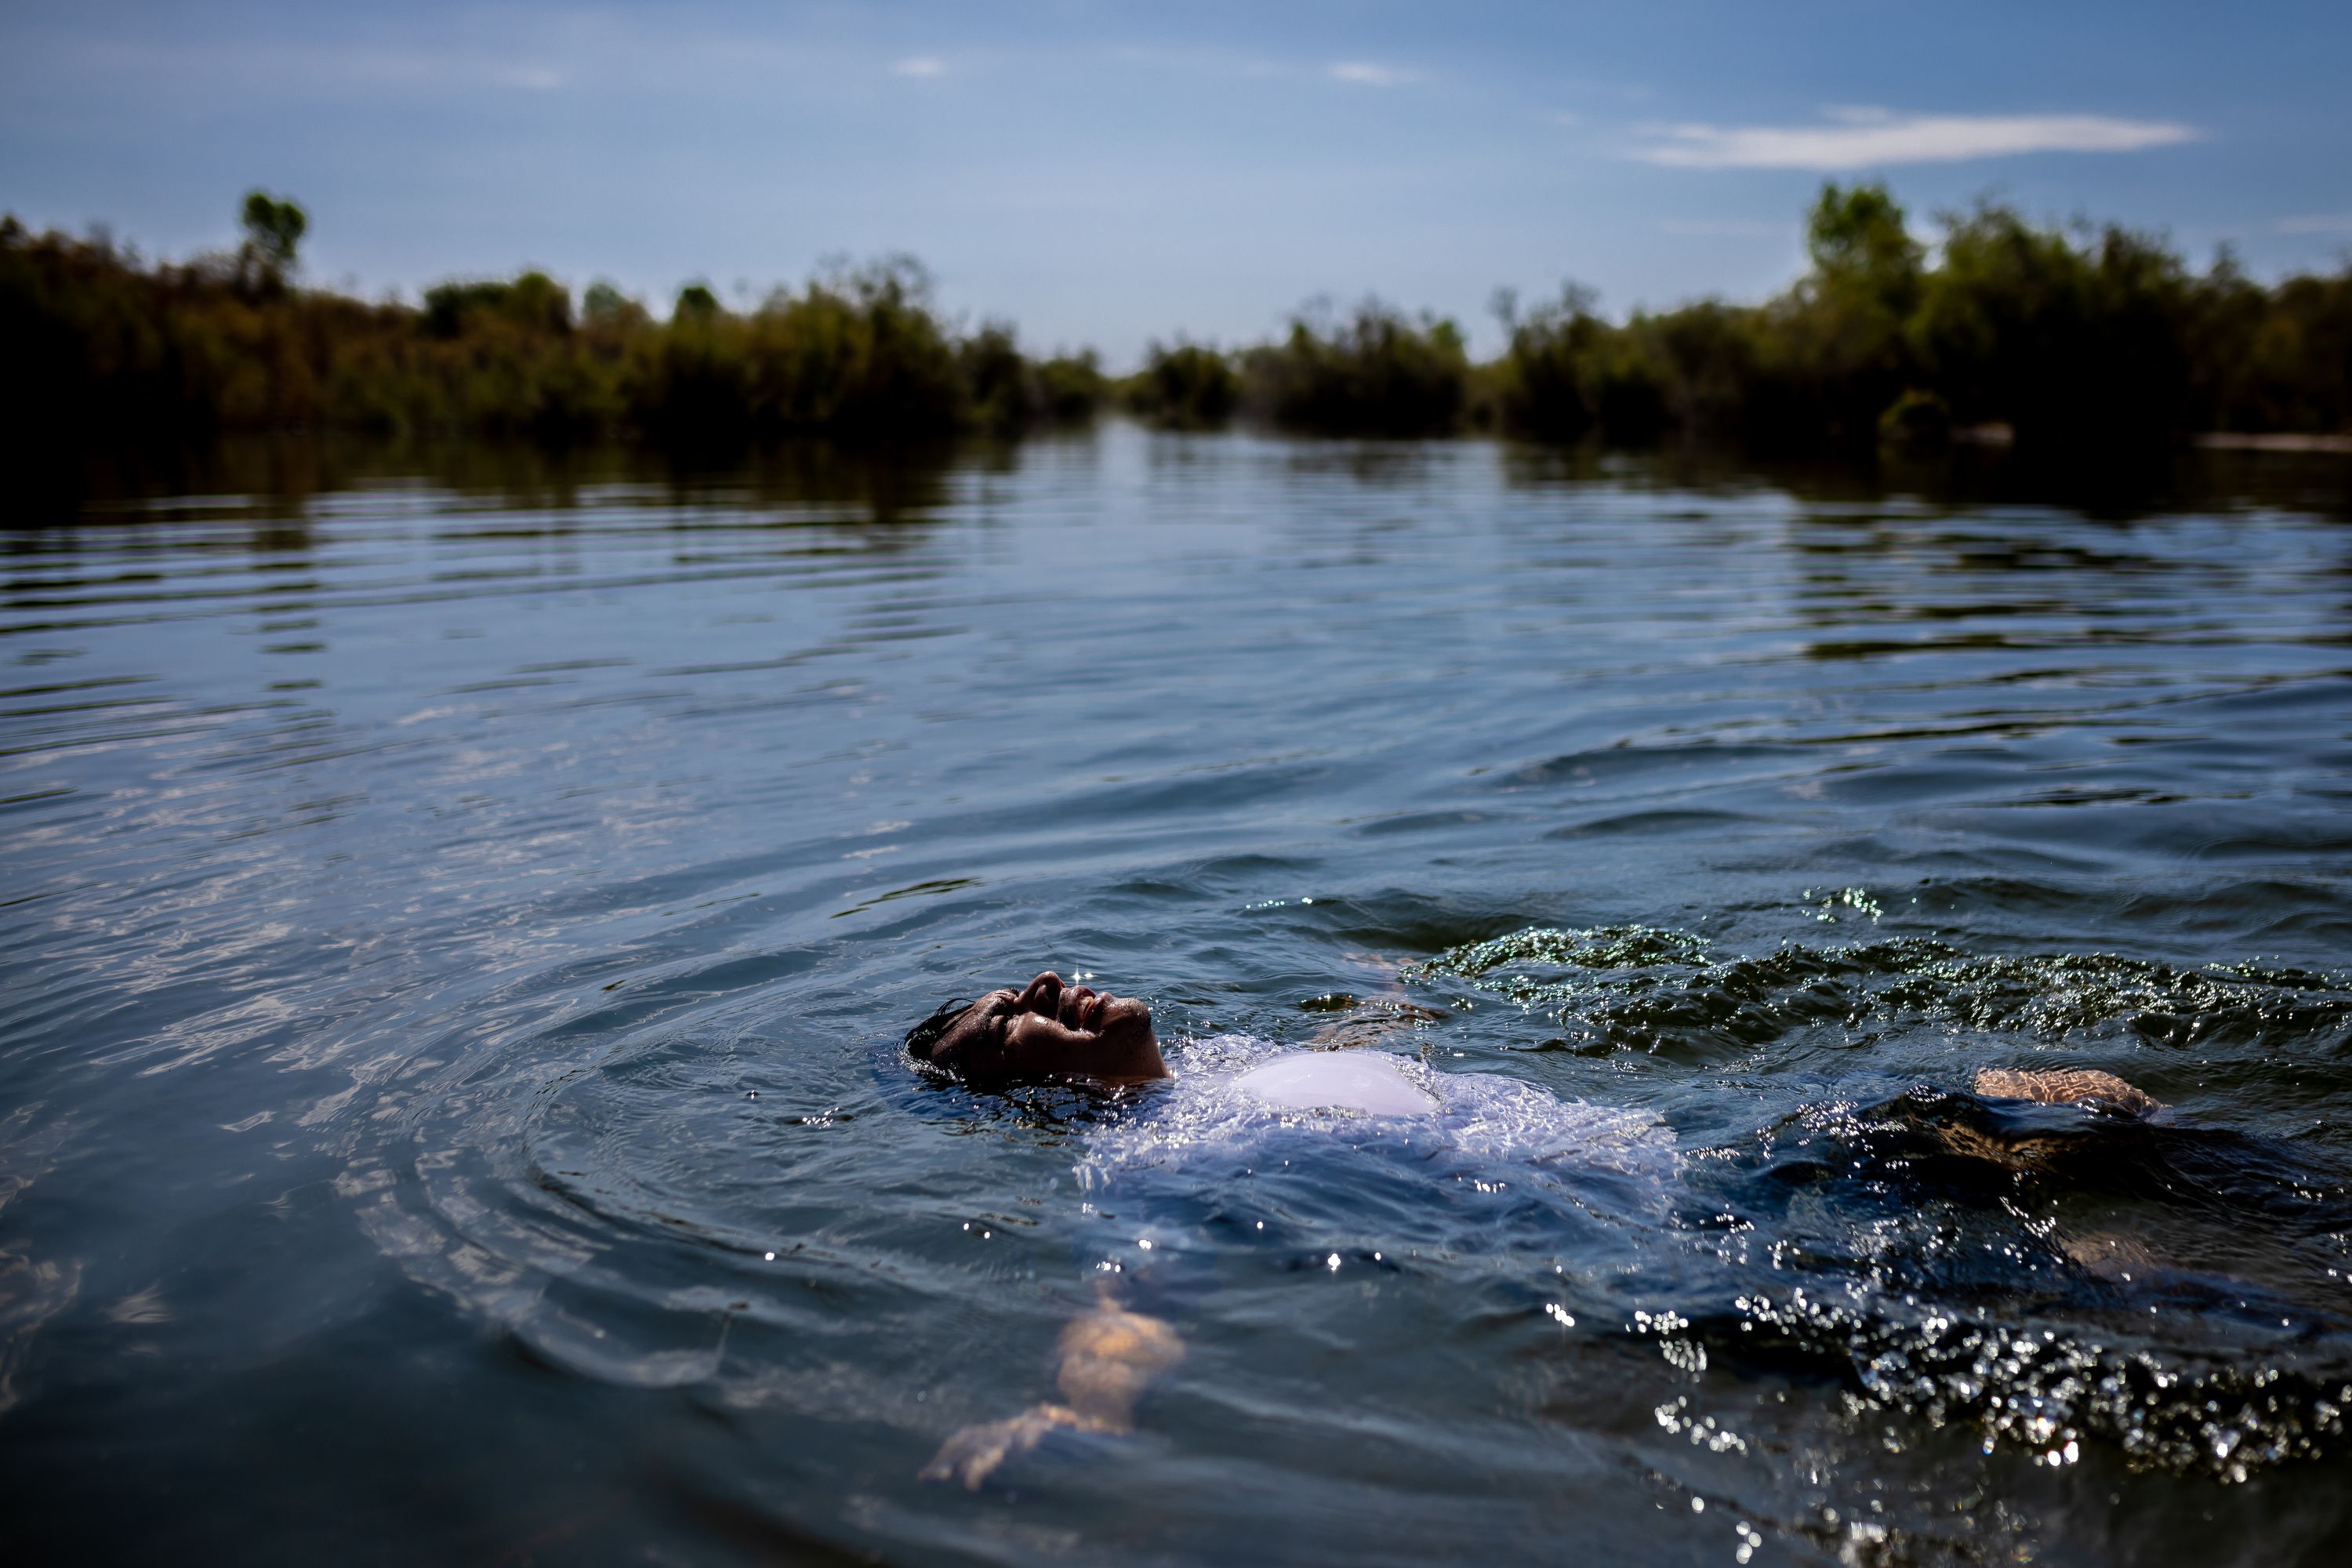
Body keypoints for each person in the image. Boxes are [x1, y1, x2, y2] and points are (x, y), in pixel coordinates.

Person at [907, 970, 2161, 1488]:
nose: (1042, 987)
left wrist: (1386, 993)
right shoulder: (1139, 1168)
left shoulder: (1230, 1066)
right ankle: (2129, 1297)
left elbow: (1367, 1060)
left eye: (1026, 979)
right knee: (2033, 1238)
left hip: (1693, 1150)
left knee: (2089, 1102)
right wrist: (1081, 1412)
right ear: (1016, 1090)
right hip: (1682, 1231)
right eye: (1007, 1019)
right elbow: (1127, 1305)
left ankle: (2138, 1255)